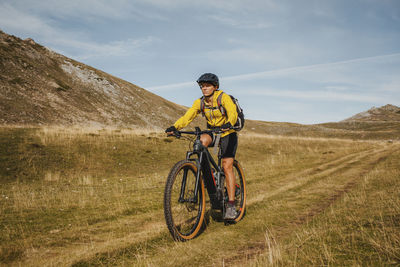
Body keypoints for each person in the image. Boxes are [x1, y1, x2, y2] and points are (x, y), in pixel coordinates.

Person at [165, 73, 239, 220]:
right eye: (202, 86)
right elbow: (188, 116)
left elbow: (232, 112)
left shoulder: (222, 97)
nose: (204, 88)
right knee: (200, 142)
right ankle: (206, 172)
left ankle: (231, 205)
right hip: (213, 131)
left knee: (226, 166)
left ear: (215, 87)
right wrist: (175, 126)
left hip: (228, 132)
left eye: (208, 86)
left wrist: (229, 123)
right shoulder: (200, 102)